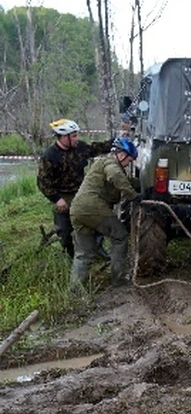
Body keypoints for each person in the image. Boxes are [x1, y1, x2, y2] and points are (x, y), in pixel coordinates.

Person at [69, 137, 140, 288]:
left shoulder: (103, 162)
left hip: (77, 209)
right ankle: (118, 279)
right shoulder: (110, 163)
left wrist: (142, 184)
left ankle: (75, 290)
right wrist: (134, 197)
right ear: (121, 155)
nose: (129, 163)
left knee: (84, 253)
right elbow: (116, 176)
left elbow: (125, 179)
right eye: (129, 160)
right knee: (120, 236)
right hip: (93, 207)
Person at [37, 119, 113, 258]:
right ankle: (71, 256)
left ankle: (97, 249)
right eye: (74, 136)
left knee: (97, 218)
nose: (77, 139)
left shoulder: (80, 148)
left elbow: (96, 148)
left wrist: (115, 142)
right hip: (61, 195)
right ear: (63, 137)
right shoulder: (49, 155)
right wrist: (57, 199)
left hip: (81, 192)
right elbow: (43, 182)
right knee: (65, 231)